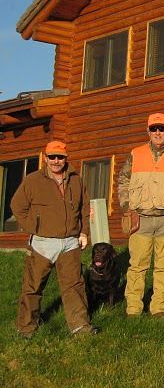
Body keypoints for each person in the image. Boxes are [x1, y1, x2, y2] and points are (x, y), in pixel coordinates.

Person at [12, 141, 98, 337]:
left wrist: (84, 232)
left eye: (60, 157)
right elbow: (17, 206)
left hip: (70, 243)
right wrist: (34, 227)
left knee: (74, 286)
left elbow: (85, 208)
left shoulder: (77, 180)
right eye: (52, 157)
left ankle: (80, 327)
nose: (56, 161)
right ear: (46, 158)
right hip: (42, 243)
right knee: (32, 287)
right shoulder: (33, 180)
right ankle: (26, 328)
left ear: (66, 158)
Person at [117, 113, 164, 318]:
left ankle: (158, 308)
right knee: (137, 266)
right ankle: (133, 309)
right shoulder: (135, 154)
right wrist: (127, 207)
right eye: (154, 129)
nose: (158, 132)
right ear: (148, 131)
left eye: (161, 128)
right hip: (140, 218)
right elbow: (123, 180)